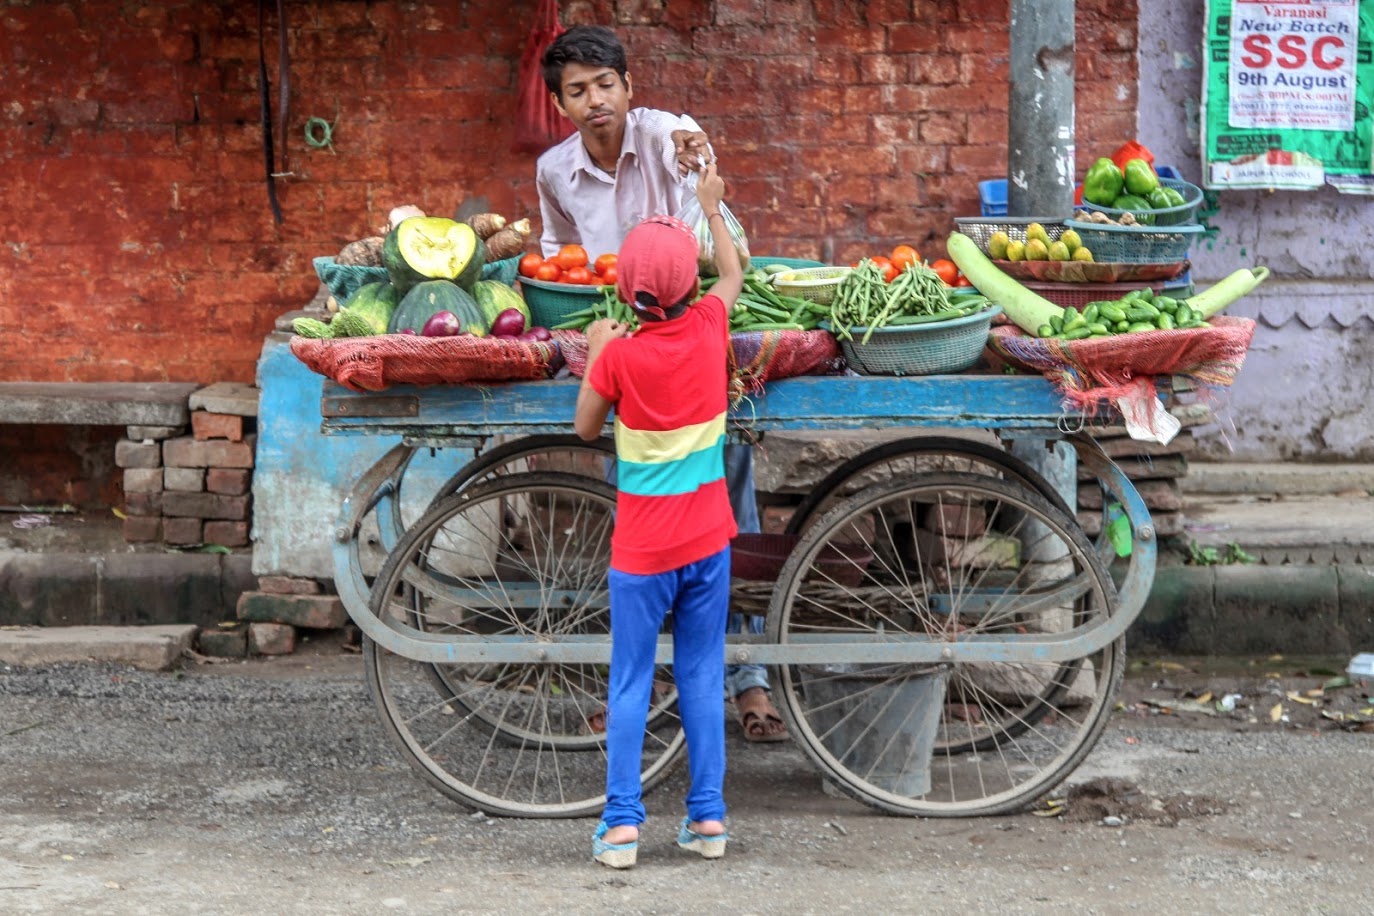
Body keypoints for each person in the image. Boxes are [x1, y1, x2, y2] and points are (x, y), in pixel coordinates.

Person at [537, 24, 787, 743]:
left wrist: (695, 153)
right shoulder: (555, 171)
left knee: (727, 489)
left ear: (628, 87)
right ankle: (660, 684)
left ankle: (747, 678)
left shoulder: (661, 133)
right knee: (647, 512)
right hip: (627, 346)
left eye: (605, 85)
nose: (595, 101)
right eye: (577, 91)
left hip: (692, 334)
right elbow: (566, 262)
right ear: (561, 103)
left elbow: (693, 142)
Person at [573, 165, 742, 868]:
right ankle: (707, 822)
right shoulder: (709, 327)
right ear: (690, 289)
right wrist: (712, 208)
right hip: (709, 542)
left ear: (625, 292)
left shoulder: (619, 358)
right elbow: (731, 275)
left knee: (631, 680)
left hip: (641, 554)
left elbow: (586, 429)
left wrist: (596, 352)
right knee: (702, 674)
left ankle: (620, 827)